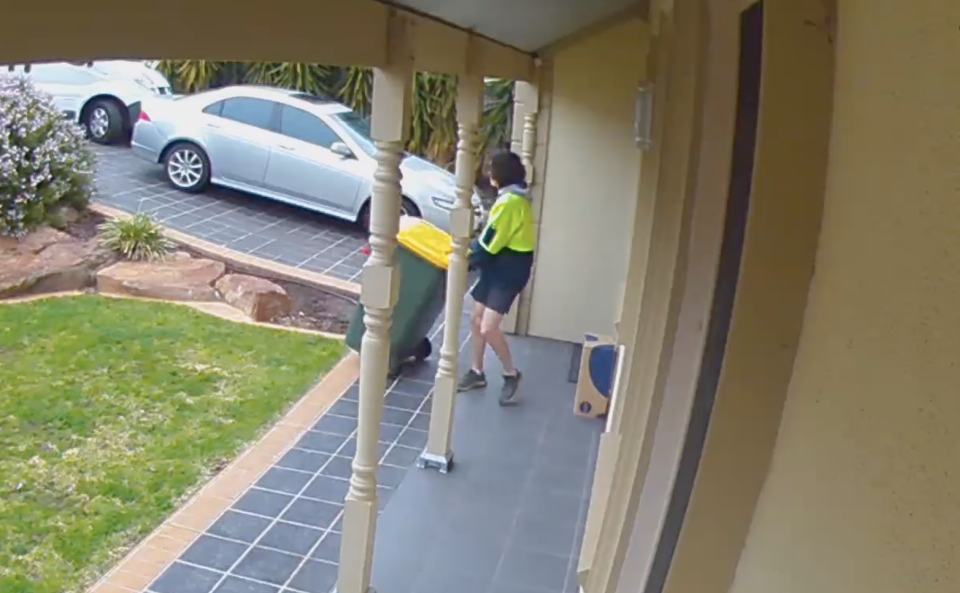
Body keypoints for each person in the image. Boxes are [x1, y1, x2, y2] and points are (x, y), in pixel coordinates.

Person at [457, 151, 535, 406]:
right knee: (476, 317)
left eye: (492, 169)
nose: (489, 174)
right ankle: (477, 372)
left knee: (488, 326)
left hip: (509, 269)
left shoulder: (510, 202)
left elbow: (490, 242)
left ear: (502, 174)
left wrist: (466, 261)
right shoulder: (511, 198)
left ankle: (511, 374)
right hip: (499, 264)